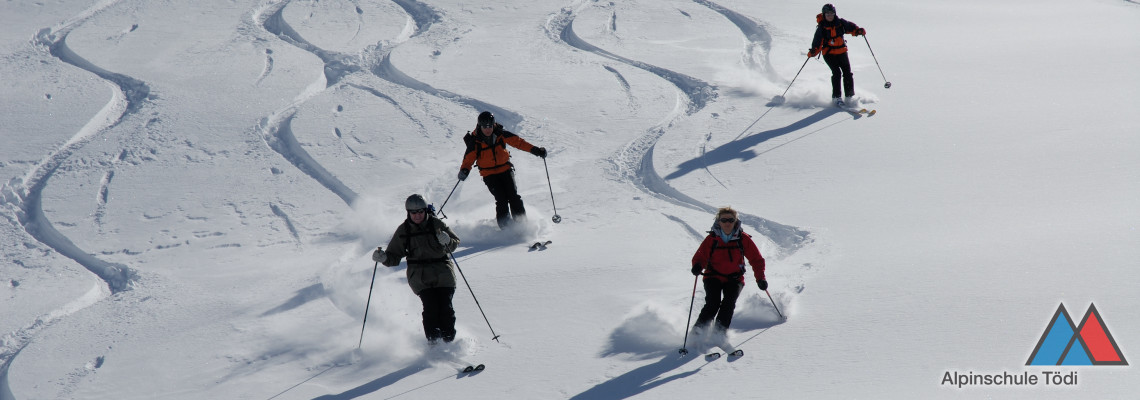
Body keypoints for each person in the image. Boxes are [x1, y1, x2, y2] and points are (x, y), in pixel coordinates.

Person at [372, 194, 461, 344]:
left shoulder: (436, 224)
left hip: (443, 273)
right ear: (408, 213)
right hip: (420, 277)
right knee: (431, 308)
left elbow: (454, 243)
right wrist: (383, 258)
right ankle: (434, 342)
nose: (418, 215)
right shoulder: (403, 230)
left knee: (446, 307)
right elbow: (394, 256)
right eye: (414, 213)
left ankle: (448, 340)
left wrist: (448, 240)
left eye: (420, 211)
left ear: (425, 210)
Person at [457, 111, 547, 230]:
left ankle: (522, 226)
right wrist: (464, 170)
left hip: (505, 169)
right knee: (501, 199)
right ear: (480, 126)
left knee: (514, 197)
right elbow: (468, 159)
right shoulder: (475, 142)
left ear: (494, 125)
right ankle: (506, 228)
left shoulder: (501, 134)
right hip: (489, 174)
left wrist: (535, 150)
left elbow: (519, 142)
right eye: (485, 126)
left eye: (490, 126)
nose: (488, 129)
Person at [690, 207, 766, 334]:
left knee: (729, 303)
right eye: (723, 220)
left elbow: (756, 259)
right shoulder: (712, 239)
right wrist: (697, 266)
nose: (727, 223)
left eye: (730, 220)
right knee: (712, 304)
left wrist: (761, 278)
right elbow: (700, 256)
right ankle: (697, 333)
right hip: (713, 276)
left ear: (735, 222)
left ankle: (719, 333)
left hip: (735, 278)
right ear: (718, 222)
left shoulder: (743, 239)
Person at [807, 3, 866, 107]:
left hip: (842, 51)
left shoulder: (840, 22)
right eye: (828, 14)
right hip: (829, 53)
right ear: (824, 15)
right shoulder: (821, 28)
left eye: (832, 13)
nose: (830, 15)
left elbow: (851, 27)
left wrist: (858, 31)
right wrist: (813, 51)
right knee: (837, 73)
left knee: (847, 72)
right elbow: (817, 42)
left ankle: (849, 96)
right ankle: (836, 98)